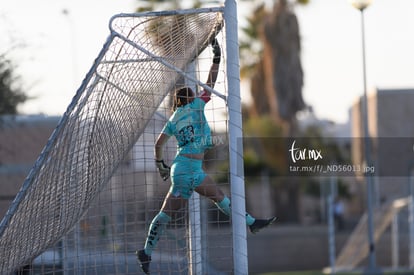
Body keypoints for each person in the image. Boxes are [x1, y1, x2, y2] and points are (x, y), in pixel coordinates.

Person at [136, 38, 276, 274]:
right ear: (189, 98)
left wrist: (160, 163)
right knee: (170, 212)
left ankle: (251, 223)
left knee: (216, 197)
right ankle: (146, 251)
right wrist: (217, 57)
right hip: (187, 170)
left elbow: (158, 144)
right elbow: (210, 82)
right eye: (192, 93)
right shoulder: (196, 106)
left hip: (186, 169)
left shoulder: (173, 119)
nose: (195, 93)